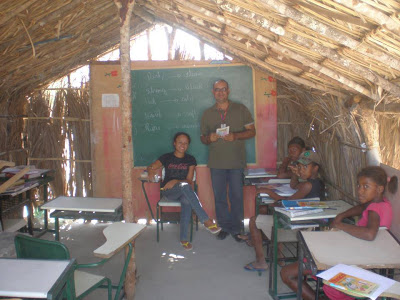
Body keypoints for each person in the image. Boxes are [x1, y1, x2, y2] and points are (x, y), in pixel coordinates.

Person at [281, 166, 397, 300]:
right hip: (361, 254)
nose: (360, 190)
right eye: (359, 185)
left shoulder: (374, 210)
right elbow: (362, 207)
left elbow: (369, 234)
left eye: (366, 187)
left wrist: (340, 225)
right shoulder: (381, 203)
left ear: (379, 189)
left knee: (287, 273)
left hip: (355, 259)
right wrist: (341, 215)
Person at [243, 150, 324, 272]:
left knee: (254, 221)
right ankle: (276, 255)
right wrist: (295, 174)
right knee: (270, 213)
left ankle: (261, 261)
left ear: (315, 168)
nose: (301, 170)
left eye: (305, 167)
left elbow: (287, 202)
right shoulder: (313, 183)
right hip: (299, 224)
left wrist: (269, 192)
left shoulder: (308, 185)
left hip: (296, 229)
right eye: (300, 166)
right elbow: (294, 186)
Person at [200, 79, 256, 242]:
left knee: (237, 196)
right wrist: (209, 138)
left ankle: (237, 228)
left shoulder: (240, 109)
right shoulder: (207, 113)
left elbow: (252, 132)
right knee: (219, 197)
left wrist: (236, 136)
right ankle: (224, 226)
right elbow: (203, 138)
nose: (220, 92)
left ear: (228, 91)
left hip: (236, 163)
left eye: (223, 89)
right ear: (213, 92)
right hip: (216, 163)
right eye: (217, 90)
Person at [147, 132, 221, 251]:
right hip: (169, 191)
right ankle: (206, 220)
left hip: (183, 189)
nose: (183, 145)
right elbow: (151, 167)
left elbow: (189, 181)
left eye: (186, 143)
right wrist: (150, 171)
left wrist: (175, 180)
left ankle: (184, 239)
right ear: (174, 143)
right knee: (185, 187)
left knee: (186, 197)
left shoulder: (190, 159)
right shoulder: (166, 157)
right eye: (180, 142)